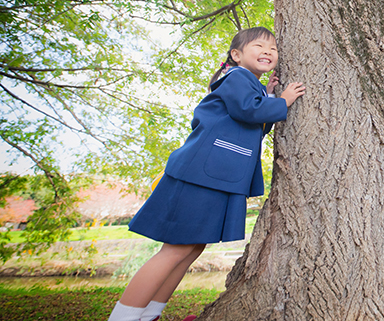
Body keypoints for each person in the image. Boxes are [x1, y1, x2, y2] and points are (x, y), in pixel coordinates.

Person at [107, 27, 305, 321]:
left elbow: (255, 125)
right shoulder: (236, 77)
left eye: (273, 49)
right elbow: (250, 112)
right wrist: (284, 99)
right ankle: (122, 318)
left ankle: (149, 315)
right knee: (176, 250)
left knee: (191, 249)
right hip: (200, 176)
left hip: (215, 176)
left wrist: (270, 96)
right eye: (259, 46)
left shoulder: (251, 86)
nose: (268, 51)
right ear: (236, 55)